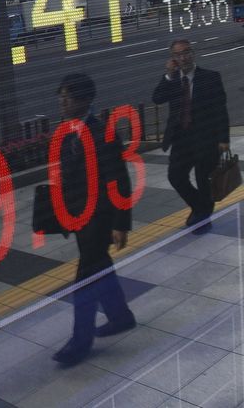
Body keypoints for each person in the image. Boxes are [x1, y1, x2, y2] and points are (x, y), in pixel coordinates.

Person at [52, 74, 136, 366]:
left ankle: (80, 341)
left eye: (69, 97)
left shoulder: (103, 133)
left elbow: (118, 179)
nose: (63, 102)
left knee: (85, 278)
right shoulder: (65, 131)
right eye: (61, 96)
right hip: (79, 216)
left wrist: (120, 223)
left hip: (100, 217)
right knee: (99, 267)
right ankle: (120, 316)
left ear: (86, 100)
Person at [152, 38, 230, 233]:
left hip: (206, 139)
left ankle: (203, 219)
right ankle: (200, 208)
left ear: (193, 53)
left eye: (186, 52)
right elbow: (157, 98)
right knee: (175, 176)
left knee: (204, 181)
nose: (183, 57)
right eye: (178, 54)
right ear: (173, 59)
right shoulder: (172, 80)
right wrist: (169, 76)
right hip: (181, 139)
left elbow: (220, 109)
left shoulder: (211, 77)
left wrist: (223, 139)